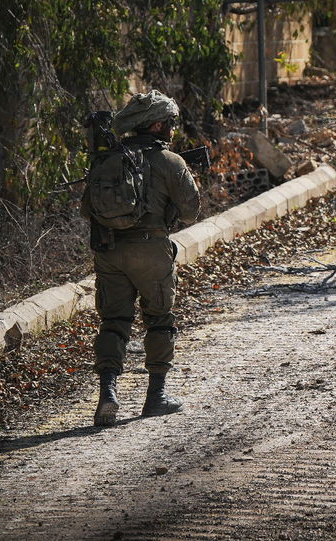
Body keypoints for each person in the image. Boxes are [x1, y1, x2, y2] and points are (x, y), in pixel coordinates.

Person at [83, 90, 201, 427]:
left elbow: (86, 209)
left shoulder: (107, 158)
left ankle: (108, 393)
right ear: (158, 125)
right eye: (171, 123)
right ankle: (156, 397)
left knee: (113, 321)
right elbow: (191, 212)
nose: (174, 129)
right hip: (151, 251)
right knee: (159, 319)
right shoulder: (170, 161)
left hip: (109, 251)